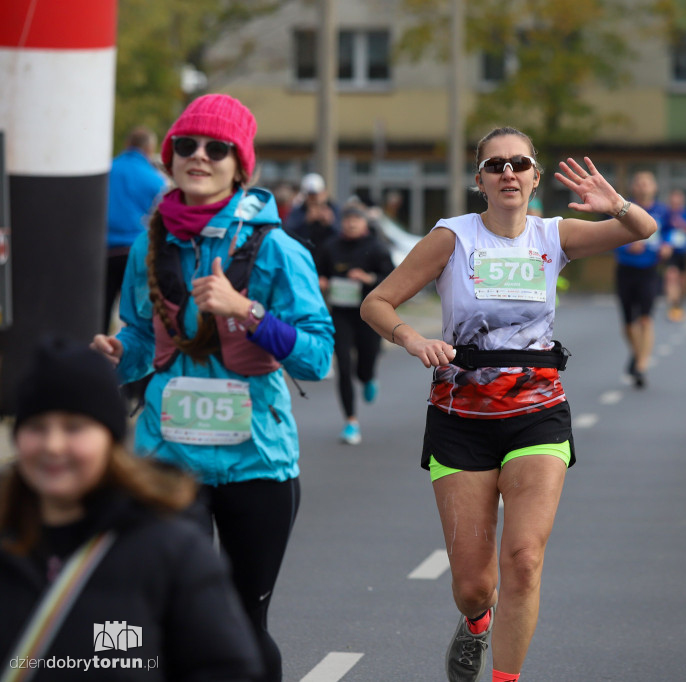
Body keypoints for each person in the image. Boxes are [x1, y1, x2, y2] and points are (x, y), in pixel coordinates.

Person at [360, 126, 656, 682]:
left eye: (519, 163)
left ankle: (505, 678)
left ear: (535, 175)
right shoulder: (452, 238)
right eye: (495, 166)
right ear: (480, 180)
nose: (508, 173)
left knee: (523, 559)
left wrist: (614, 203)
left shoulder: (554, 235)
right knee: (474, 585)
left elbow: (643, 229)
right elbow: (376, 302)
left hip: (538, 411)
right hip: (460, 416)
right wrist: (412, 338)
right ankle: (476, 623)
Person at [90, 94, 334, 682]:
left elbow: (318, 357)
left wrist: (245, 310)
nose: (199, 156)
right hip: (168, 460)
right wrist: (118, 356)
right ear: (169, 157)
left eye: (216, 148)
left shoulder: (278, 249)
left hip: (257, 464)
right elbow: (144, 343)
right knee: (173, 621)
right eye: (187, 146)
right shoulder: (151, 245)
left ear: (239, 165)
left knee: (243, 628)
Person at [0, 338, 263, 681]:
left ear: (111, 440)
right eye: (37, 428)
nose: (53, 445)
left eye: (74, 428)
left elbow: (226, 669)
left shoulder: (171, 549)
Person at [315, 206, 395, 445]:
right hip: (340, 314)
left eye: (355, 220)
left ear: (364, 224)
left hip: (369, 315)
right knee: (343, 364)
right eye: (347, 220)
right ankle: (350, 422)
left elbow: (393, 280)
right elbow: (318, 272)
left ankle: (369, 377)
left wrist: (368, 278)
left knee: (363, 368)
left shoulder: (377, 248)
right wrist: (322, 281)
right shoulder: (331, 247)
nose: (350, 224)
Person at [104, 126, 168, 332]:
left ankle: (100, 355)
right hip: (137, 252)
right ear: (150, 149)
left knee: (102, 312)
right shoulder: (155, 180)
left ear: (127, 144)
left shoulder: (107, 170)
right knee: (137, 317)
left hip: (104, 251)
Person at [614, 171, 669, 388]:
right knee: (628, 324)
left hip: (649, 270)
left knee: (646, 319)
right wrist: (628, 245)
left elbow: (673, 233)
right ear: (633, 187)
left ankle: (641, 365)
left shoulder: (662, 211)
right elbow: (610, 235)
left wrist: (668, 245)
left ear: (654, 187)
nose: (643, 186)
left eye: (647, 183)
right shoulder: (624, 209)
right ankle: (637, 354)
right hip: (626, 269)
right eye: (639, 182)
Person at [662, 188, 686, 322]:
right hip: (670, 251)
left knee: (683, 280)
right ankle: (673, 306)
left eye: (677, 201)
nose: (675, 203)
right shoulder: (665, 214)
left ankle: (679, 302)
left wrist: (682, 225)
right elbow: (658, 230)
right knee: (671, 275)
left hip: (684, 252)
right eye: (673, 201)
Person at [284, 172, 341, 255]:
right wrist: (306, 222)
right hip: (305, 254)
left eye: (318, 194)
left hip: (328, 258)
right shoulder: (297, 211)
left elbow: (342, 235)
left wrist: (330, 224)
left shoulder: (334, 209)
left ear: (324, 193)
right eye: (311, 195)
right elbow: (289, 235)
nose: (315, 198)